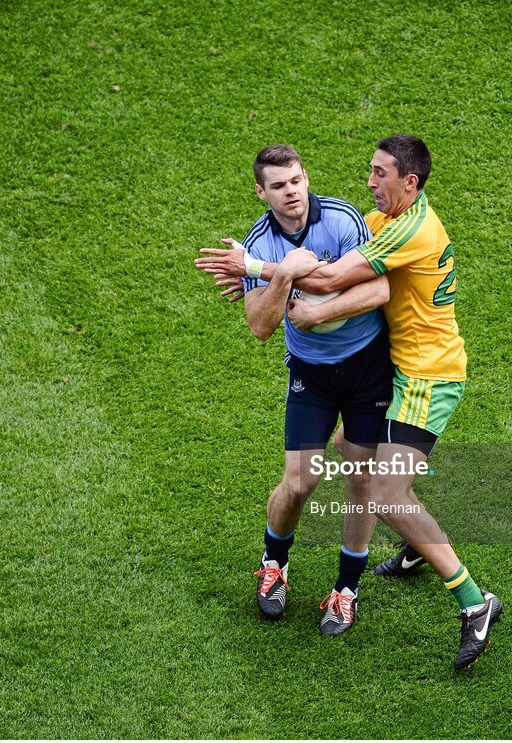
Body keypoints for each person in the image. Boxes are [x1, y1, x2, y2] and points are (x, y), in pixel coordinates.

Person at [196, 135, 503, 670]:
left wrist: (259, 269)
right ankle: (407, 549)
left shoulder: (406, 227)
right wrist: (267, 273)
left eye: (379, 173)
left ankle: (474, 602)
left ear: (409, 181)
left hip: (423, 375)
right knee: (339, 458)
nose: (369, 182)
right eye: (370, 171)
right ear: (261, 193)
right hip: (380, 369)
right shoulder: (380, 221)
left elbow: (344, 281)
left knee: (382, 490)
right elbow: (267, 322)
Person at [200, 143, 393, 635]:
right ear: (261, 192)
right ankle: (274, 562)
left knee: (358, 478)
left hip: (369, 365)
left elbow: (376, 289)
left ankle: (346, 589)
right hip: (313, 374)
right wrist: (283, 272)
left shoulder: (344, 220)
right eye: (279, 186)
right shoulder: (259, 243)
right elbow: (260, 326)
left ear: (306, 178)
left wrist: (293, 290)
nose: (292, 193)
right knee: (301, 482)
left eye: (297, 181)